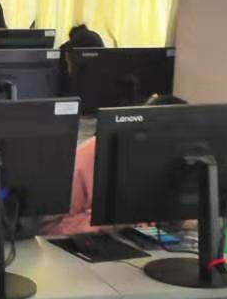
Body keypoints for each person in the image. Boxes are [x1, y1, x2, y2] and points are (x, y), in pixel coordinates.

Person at [43, 93, 185, 238]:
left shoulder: (176, 162)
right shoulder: (91, 154)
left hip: (146, 242)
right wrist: (112, 222)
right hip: (87, 244)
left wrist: (178, 218)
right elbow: (49, 228)